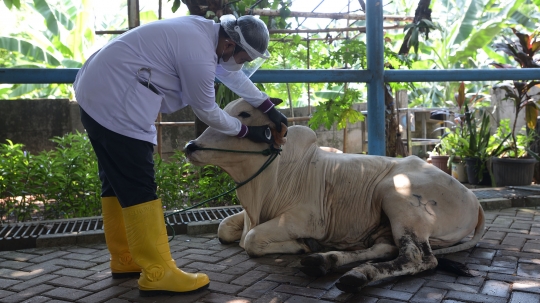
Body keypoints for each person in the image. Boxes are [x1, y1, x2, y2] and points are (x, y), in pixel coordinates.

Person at [73, 14, 287, 297]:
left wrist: (269, 109)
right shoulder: (198, 52)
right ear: (229, 45)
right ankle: (158, 272)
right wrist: (249, 132)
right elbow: (207, 110)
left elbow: (232, 76)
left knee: (116, 181)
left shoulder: (205, 34)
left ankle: (125, 258)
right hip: (116, 101)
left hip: (99, 91)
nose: (243, 64)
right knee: (138, 184)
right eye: (244, 57)